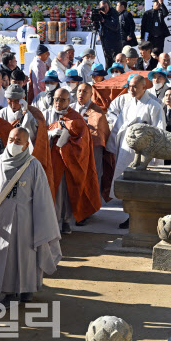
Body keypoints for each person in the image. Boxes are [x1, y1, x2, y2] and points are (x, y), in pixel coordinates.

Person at [0, 126, 61, 303]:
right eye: (11, 139)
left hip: (26, 220)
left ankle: (28, 288)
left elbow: (42, 198)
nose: (13, 143)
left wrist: (42, 223)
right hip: (1, 220)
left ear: (26, 145)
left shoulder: (34, 166)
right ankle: (8, 292)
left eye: (18, 141)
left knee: (27, 255)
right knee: (4, 255)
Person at [44, 88, 100, 233]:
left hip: (69, 162)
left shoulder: (76, 118)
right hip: (51, 160)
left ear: (69, 101)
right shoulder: (47, 114)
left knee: (66, 192)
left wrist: (67, 144)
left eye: (62, 100)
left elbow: (83, 142)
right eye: (56, 99)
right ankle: (53, 222)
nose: (58, 102)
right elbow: (37, 135)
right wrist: (50, 134)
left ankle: (66, 220)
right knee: (53, 193)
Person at [108, 75, 165, 208]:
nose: (131, 89)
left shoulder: (154, 106)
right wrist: (112, 147)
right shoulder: (128, 105)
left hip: (144, 151)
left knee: (142, 184)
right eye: (130, 86)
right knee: (126, 182)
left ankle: (139, 214)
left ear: (144, 87)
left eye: (135, 86)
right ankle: (128, 212)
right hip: (126, 150)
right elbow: (118, 126)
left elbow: (160, 131)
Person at [73, 82, 113, 201]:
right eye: (79, 91)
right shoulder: (69, 108)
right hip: (73, 147)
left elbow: (100, 132)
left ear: (91, 94)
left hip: (93, 147)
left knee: (94, 174)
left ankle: (93, 202)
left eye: (85, 91)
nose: (81, 94)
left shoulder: (97, 111)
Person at [98, 0, 121, 66]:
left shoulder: (114, 13)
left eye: (105, 7)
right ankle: (108, 74)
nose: (104, 9)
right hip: (105, 39)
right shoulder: (101, 13)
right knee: (107, 59)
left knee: (115, 60)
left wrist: (103, 20)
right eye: (102, 7)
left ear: (109, 6)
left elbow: (115, 26)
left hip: (114, 41)